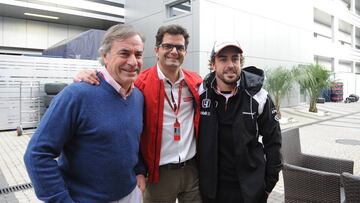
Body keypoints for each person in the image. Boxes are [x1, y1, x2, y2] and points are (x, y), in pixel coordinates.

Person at [74, 24, 202, 203]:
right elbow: (113, 85)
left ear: (185, 52)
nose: (174, 51)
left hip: (191, 169)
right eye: (167, 46)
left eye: (180, 47)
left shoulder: (196, 82)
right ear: (157, 50)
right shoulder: (139, 84)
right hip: (158, 174)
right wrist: (89, 74)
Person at [23, 24, 146, 203]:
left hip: (131, 194)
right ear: (105, 56)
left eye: (138, 54)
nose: (133, 62)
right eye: (124, 53)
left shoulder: (138, 97)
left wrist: (139, 171)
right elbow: (37, 154)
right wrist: (60, 199)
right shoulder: (76, 95)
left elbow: (133, 141)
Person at [197, 40, 283, 203]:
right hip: (211, 190)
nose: (230, 64)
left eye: (235, 59)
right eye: (223, 59)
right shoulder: (201, 93)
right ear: (213, 64)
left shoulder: (259, 96)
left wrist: (268, 185)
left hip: (249, 191)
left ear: (240, 62)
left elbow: (273, 142)